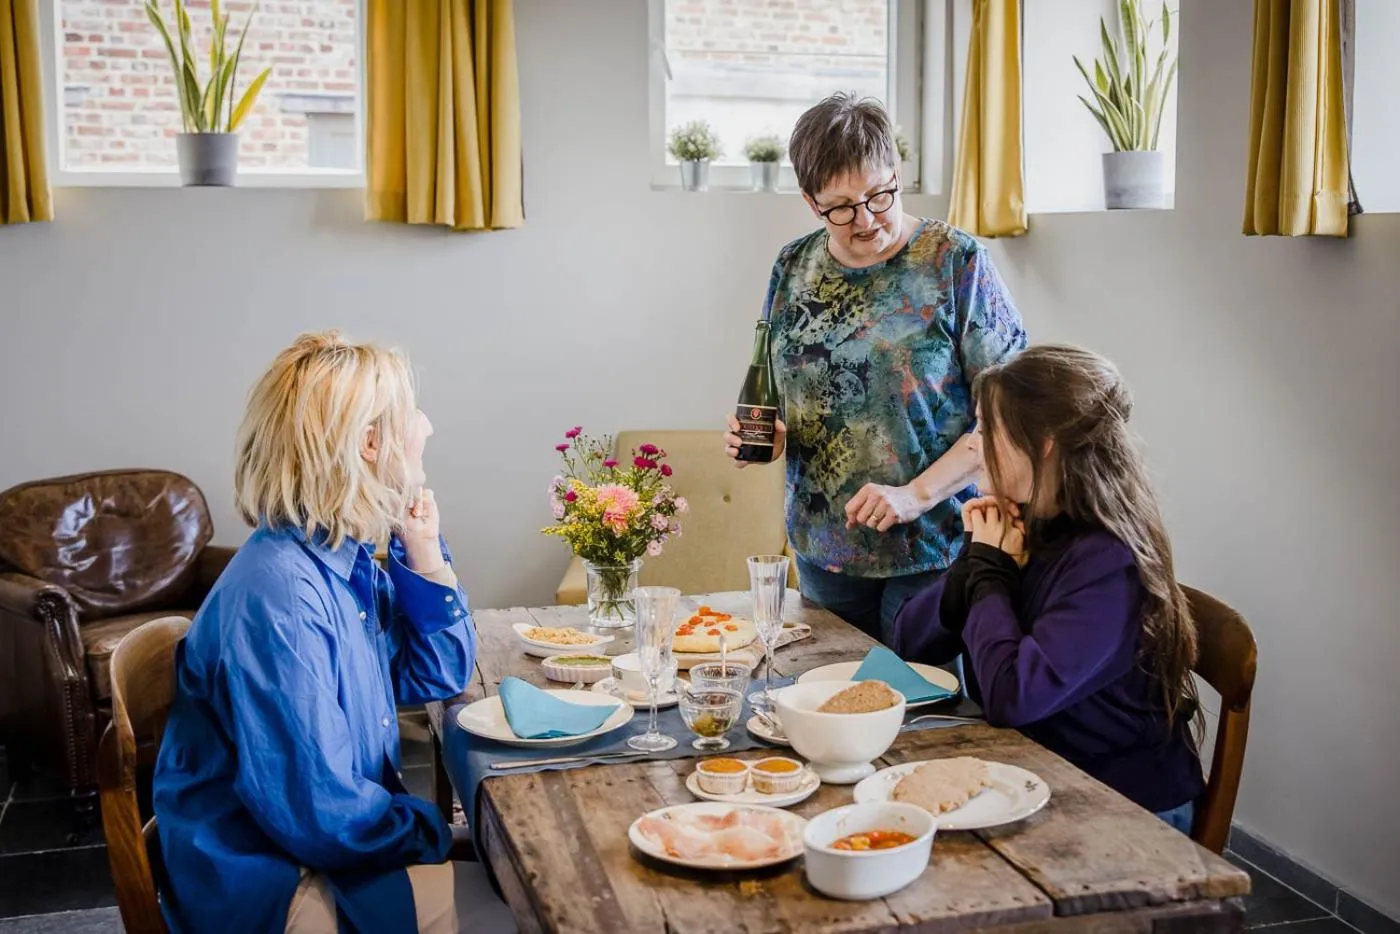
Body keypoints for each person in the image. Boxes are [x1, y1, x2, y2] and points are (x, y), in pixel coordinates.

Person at [153, 332, 494, 933]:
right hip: (278, 884)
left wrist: (424, 555)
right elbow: (323, 817)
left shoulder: (339, 557)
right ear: (368, 442)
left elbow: (436, 673)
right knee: (535, 904)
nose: (428, 427)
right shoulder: (283, 597)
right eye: (411, 414)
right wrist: (448, 829)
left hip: (317, 849)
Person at [724, 91, 1026, 647]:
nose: (865, 219)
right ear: (811, 201)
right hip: (825, 550)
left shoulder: (957, 262)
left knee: (922, 716)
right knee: (829, 704)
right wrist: (768, 438)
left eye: (879, 195)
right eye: (840, 206)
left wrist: (915, 494)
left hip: (934, 545)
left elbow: (1009, 421)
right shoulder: (792, 266)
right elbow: (778, 390)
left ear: (897, 173)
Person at [892, 345, 1205, 831]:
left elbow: (1011, 696)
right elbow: (908, 641)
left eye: (986, 428)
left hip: (1124, 806)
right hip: (1037, 767)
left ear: (1043, 443)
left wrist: (992, 575)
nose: (974, 445)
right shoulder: (1028, 522)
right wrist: (975, 563)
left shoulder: (1108, 561)